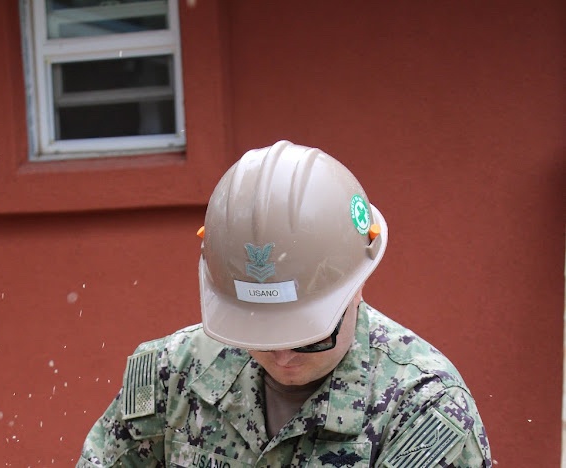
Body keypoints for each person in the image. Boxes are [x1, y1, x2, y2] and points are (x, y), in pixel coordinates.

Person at [77, 141, 492, 467]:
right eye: (257, 333)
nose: (281, 354)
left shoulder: (422, 412)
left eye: (308, 336)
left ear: (357, 289)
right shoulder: (171, 374)